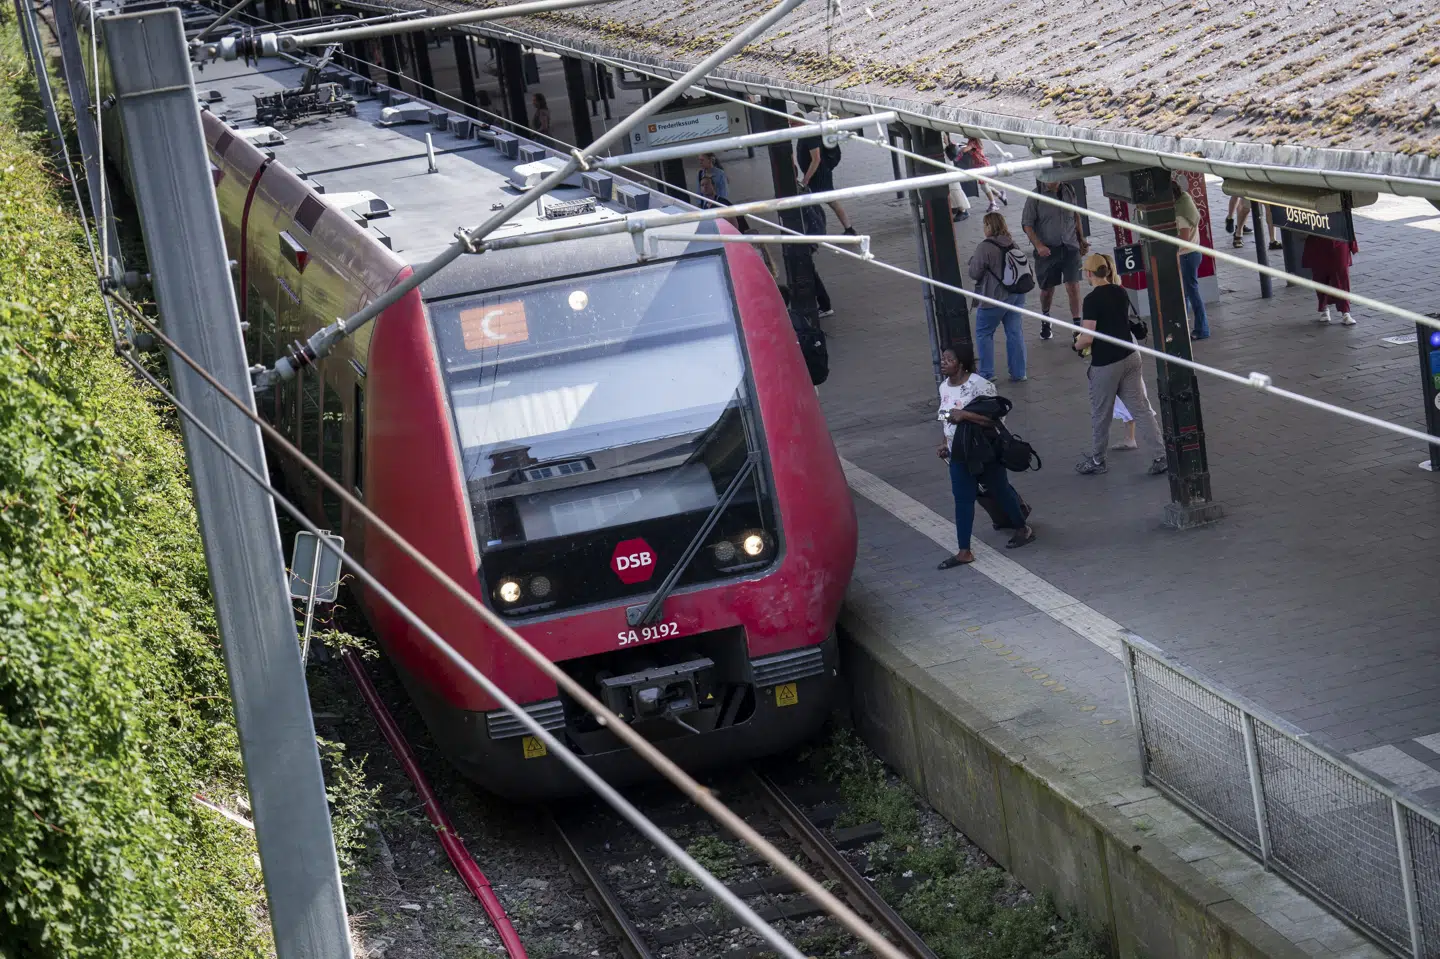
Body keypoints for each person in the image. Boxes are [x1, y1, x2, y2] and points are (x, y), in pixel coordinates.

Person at [935, 344, 1033, 568]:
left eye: (948, 359)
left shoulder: (980, 386)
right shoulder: (943, 388)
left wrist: (965, 415)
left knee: (1000, 490)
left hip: (983, 451)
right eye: (942, 359)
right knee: (963, 500)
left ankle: (1022, 528)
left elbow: (995, 419)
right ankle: (964, 551)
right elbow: (945, 418)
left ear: (961, 363)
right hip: (958, 454)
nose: (943, 363)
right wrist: (944, 442)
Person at [1073, 253, 1168, 476]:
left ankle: (1098, 461)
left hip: (1106, 364)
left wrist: (1076, 345)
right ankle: (1160, 455)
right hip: (1130, 357)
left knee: (1100, 414)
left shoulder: (1092, 300)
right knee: (1141, 409)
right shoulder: (1119, 291)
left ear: (1089, 273)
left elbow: (1087, 337)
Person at [1022, 178, 1087, 341]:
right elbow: (1027, 225)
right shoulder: (1035, 196)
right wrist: (1038, 246)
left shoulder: (1069, 190)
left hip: (1070, 246)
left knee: (1073, 286)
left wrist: (1081, 238)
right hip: (1048, 250)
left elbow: (1075, 214)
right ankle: (1046, 318)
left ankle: (1077, 326)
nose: (1052, 180)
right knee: (1047, 290)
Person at [966, 212, 1028, 382]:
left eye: (985, 225)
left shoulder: (985, 247)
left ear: (989, 227)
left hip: (994, 298)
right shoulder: (1012, 243)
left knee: (984, 333)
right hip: (1016, 296)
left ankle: (986, 373)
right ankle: (1019, 372)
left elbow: (974, 273)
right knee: (1014, 332)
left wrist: (973, 262)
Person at [791, 112, 856, 235]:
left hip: (819, 175)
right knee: (828, 202)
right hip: (817, 175)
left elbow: (816, 159)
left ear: (799, 122)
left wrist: (806, 179)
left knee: (823, 202)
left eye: (792, 124)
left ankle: (819, 229)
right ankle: (848, 228)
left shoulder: (809, 135)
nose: (790, 127)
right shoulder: (804, 135)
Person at [1171, 180, 1210, 340]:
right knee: (1187, 293)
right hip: (1194, 253)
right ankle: (1182, 327)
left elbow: (1184, 239)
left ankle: (1202, 329)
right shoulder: (1186, 200)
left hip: (1187, 255)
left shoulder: (1180, 214)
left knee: (1192, 293)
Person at [1302, 234, 1359, 325]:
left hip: (1339, 237)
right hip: (1318, 238)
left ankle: (1345, 312)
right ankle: (1324, 307)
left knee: (1342, 276)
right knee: (1320, 275)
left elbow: (1347, 221)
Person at [959, 137, 1007, 212]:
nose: (963, 135)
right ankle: (1000, 195)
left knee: (983, 185)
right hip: (978, 166)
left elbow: (965, 150)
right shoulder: (971, 141)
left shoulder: (973, 141)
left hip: (982, 166)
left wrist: (961, 148)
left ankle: (994, 204)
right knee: (985, 185)